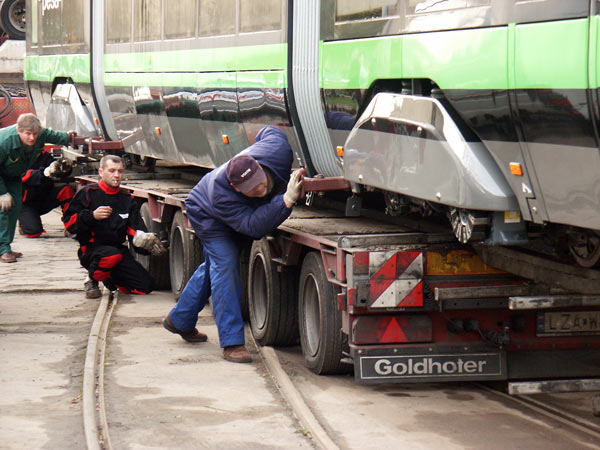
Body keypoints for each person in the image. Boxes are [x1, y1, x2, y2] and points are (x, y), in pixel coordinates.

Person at [162, 126, 304, 363]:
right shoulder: (222, 193)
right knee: (225, 266)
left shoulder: (276, 151)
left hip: (236, 209)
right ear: (237, 189)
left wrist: (251, 134)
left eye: (262, 184)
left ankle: (180, 319)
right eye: (254, 191)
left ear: (258, 165)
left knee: (215, 266)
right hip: (208, 214)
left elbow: (270, 131)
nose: (262, 191)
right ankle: (232, 343)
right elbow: (252, 227)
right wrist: (286, 200)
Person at [63, 154, 165, 298]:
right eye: (112, 171)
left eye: (120, 171)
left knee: (146, 287)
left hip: (118, 251)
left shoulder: (126, 198)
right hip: (92, 250)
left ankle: (110, 278)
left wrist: (143, 240)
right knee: (111, 255)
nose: (117, 175)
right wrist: (92, 216)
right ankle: (91, 279)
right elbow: (69, 224)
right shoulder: (87, 193)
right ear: (101, 172)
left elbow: (135, 229)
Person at [0, 113, 75, 263]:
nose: (32, 138)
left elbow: (53, 135)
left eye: (35, 134)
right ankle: (3, 250)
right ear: (18, 131)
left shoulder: (39, 135)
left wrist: (69, 137)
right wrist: (2, 193)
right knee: (3, 210)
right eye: (28, 134)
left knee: (14, 208)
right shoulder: (4, 142)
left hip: (13, 176)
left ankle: (6, 247)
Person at [19, 150, 75, 238]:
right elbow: (23, 177)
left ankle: (71, 226)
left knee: (66, 190)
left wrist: (65, 168)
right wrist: (46, 172)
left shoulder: (45, 156)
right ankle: (22, 223)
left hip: (45, 197)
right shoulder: (17, 157)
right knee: (34, 232)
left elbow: (58, 172)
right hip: (26, 203)